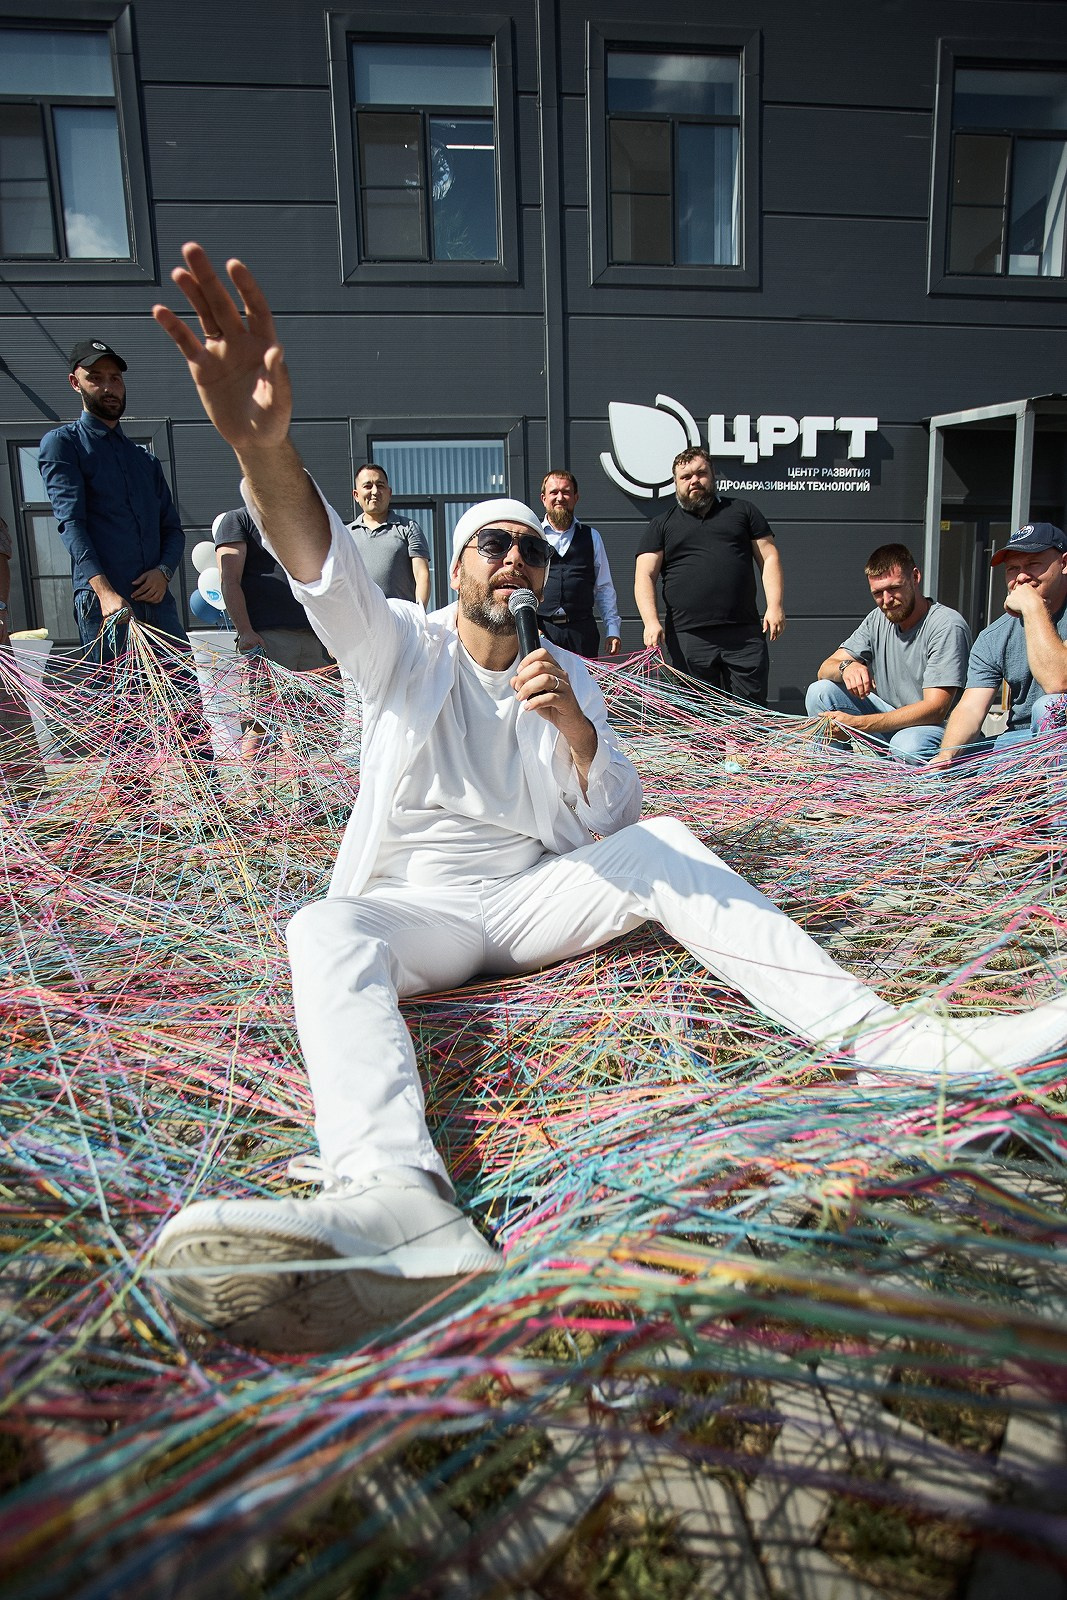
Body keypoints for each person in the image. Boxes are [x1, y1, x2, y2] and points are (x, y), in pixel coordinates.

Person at [150, 246, 1067, 1352]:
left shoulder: (567, 673)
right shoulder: (402, 649)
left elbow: (610, 823)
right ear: (457, 561)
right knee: (321, 927)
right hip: (423, 914)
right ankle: (400, 1198)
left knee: (669, 837)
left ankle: (895, 1041)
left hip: (528, 898)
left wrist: (575, 730)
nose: (512, 562)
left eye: (529, 552)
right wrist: (261, 445)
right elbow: (323, 569)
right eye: (493, 544)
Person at [38, 340, 188, 661]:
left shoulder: (144, 461)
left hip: (158, 601)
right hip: (106, 604)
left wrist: (163, 571)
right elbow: (71, 524)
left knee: (183, 704)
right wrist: (105, 593)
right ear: (75, 383)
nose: (108, 387)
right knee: (117, 706)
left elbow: (173, 530)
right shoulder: (63, 445)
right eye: (95, 377)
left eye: (115, 378)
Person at [634, 447, 785, 704]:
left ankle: (744, 747)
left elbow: (769, 557)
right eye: (686, 477)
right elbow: (644, 575)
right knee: (698, 721)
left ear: (713, 474)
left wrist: (775, 605)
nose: (694, 480)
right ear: (675, 483)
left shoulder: (743, 511)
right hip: (688, 638)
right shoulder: (662, 524)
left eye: (701, 473)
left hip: (743, 634)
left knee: (751, 717)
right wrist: (651, 621)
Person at [804, 544, 971, 764]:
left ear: (915, 577)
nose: (886, 600)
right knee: (820, 692)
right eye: (877, 593)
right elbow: (825, 669)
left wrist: (858, 724)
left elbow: (935, 709)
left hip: (937, 733)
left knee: (907, 745)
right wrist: (847, 667)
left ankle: (917, 794)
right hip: (891, 722)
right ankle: (833, 779)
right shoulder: (878, 618)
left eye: (894, 588)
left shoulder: (946, 625)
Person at [930, 523, 1067, 768]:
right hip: (1020, 742)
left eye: (1034, 564)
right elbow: (971, 709)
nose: (1022, 577)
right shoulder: (993, 636)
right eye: (1013, 569)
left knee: (1049, 707)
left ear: (1064, 564)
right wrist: (947, 756)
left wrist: (1032, 607)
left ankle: (1056, 805)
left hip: (1060, 739)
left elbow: (1059, 683)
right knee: (919, 743)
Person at [213, 504, 329, 761]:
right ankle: (256, 800)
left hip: (313, 639)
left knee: (308, 730)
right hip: (267, 640)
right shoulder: (238, 519)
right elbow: (229, 579)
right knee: (259, 725)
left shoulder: (302, 523)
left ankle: (304, 799)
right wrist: (244, 631)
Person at [539, 469, 621, 657]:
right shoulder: (533, 535)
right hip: (542, 632)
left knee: (584, 687)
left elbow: (604, 588)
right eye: (554, 492)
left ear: (576, 497)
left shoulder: (592, 537)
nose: (560, 497)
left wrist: (613, 630)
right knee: (543, 686)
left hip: (582, 633)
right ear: (544, 498)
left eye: (566, 492)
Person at [347, 464, 431, 606]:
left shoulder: (408, 528)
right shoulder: (346, 535)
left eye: (380, 486)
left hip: (399, 620)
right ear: (356, 495)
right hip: (359, 621)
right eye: (368, 486)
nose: (375, 491)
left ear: (389, 492)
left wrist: (418, 614)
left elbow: (422, 575)